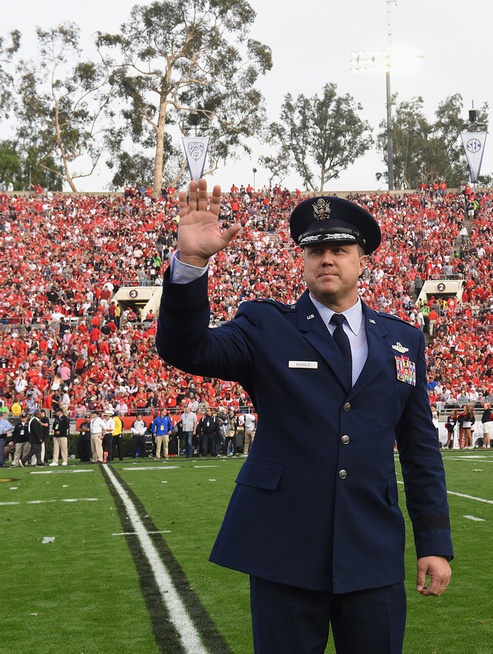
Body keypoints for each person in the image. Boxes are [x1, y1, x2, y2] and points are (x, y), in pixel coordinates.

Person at [156, 180, 452, 652]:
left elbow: (419, 450)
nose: (326, 259)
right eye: (315, 250)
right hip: (284, 548)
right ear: (303, 259)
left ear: (363, 260)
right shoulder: (265, 325)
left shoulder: (403, 340)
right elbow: (187, 348)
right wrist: (191, 264)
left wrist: (434, 542)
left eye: (339, 248)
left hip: (370, 548)